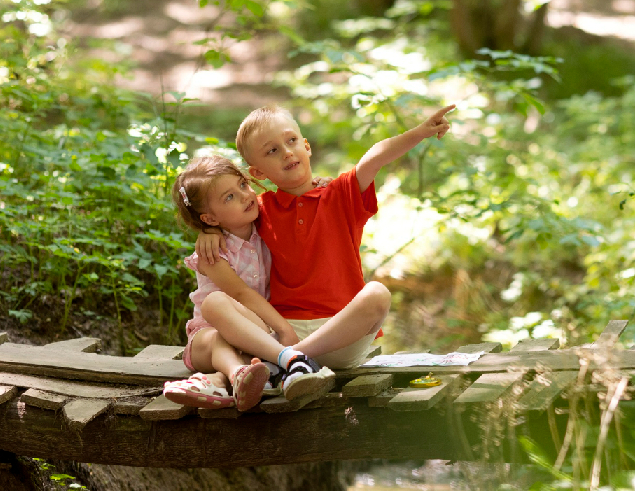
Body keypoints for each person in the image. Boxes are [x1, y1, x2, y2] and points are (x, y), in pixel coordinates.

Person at [194, 103, 455, 381]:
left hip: (340, 335)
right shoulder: (261, 209)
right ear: (257, 172)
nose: (286, 152)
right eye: (272, 150)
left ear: (306, 146)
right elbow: (228, 218)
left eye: (291, 140)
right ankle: (288, 363)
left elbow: (374, 158)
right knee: (215, 301)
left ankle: (286, 363)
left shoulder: (341, 195)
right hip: (282, 332)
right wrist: (208, 232)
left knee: (377, 294)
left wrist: (418, 133)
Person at [163, 155, 337, 411]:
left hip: (256, 333)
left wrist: (316, 186)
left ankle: (222, 381)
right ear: (210, 219)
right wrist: (283, 328)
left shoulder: (267, 224)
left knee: (241, 343)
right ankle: (259, 367)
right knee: (215, 305)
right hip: (207, 339)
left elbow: (297, 207)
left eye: (243, 185)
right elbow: (241, 293)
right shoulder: (213, 253)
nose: (246, 195)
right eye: (229, 197)